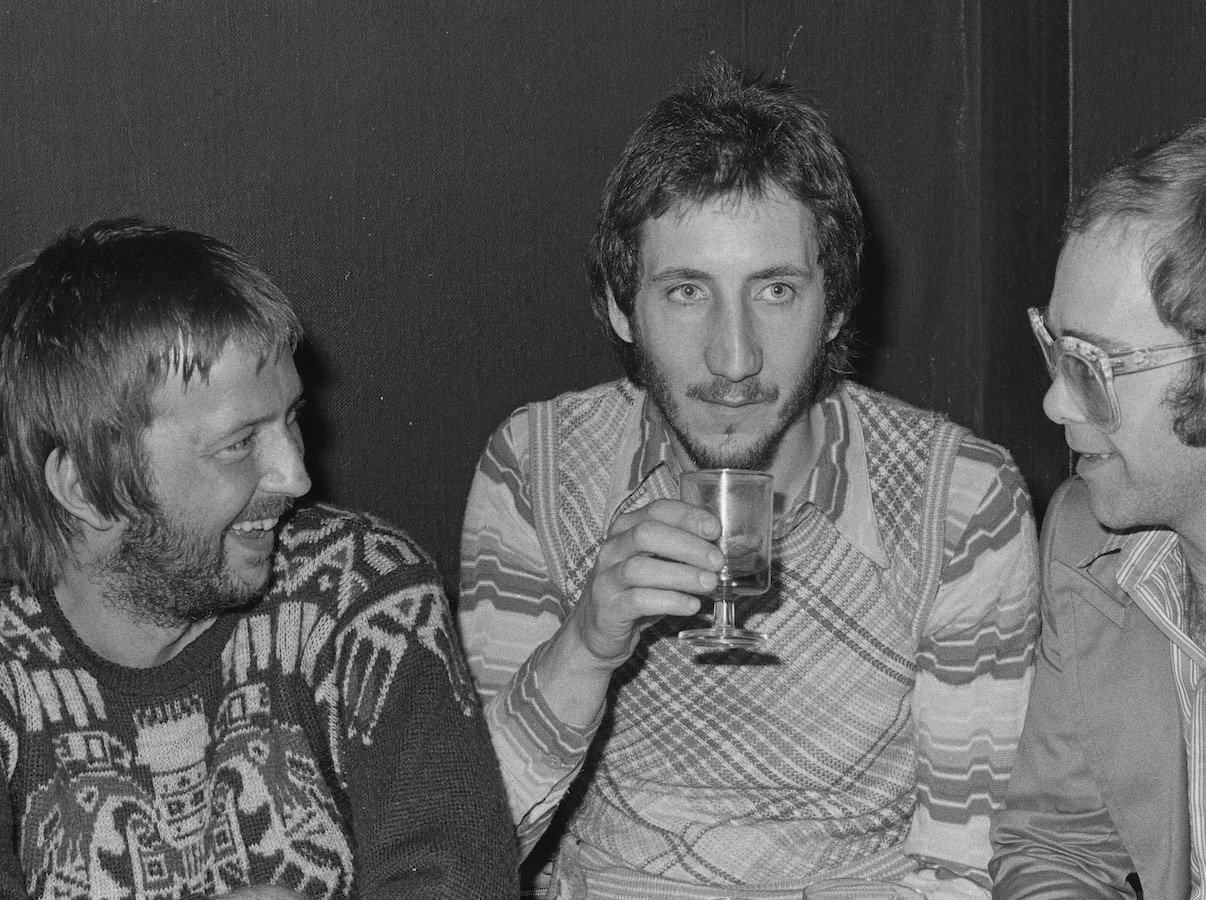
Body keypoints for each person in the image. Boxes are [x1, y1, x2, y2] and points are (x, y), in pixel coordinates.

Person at [460, 62, 1040, 899]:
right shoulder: (535, 469)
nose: (735, 360)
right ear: (622, 307)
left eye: (775, 290)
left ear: (836, 302)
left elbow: (965, 871)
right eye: (687, 291)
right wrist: (585, 648)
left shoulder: (960, 501)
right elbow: (468, 850)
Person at [0, 218, 518, 899]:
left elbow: (459, 878)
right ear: (87, 488)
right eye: (240, 443)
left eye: (291, 418)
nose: (295, 475)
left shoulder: (364, 593)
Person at [990, 118, 1206, 900]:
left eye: (1094, 364)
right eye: (1054, 351)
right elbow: (1057, 845)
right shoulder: (1083, 536)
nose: (1056, 400)